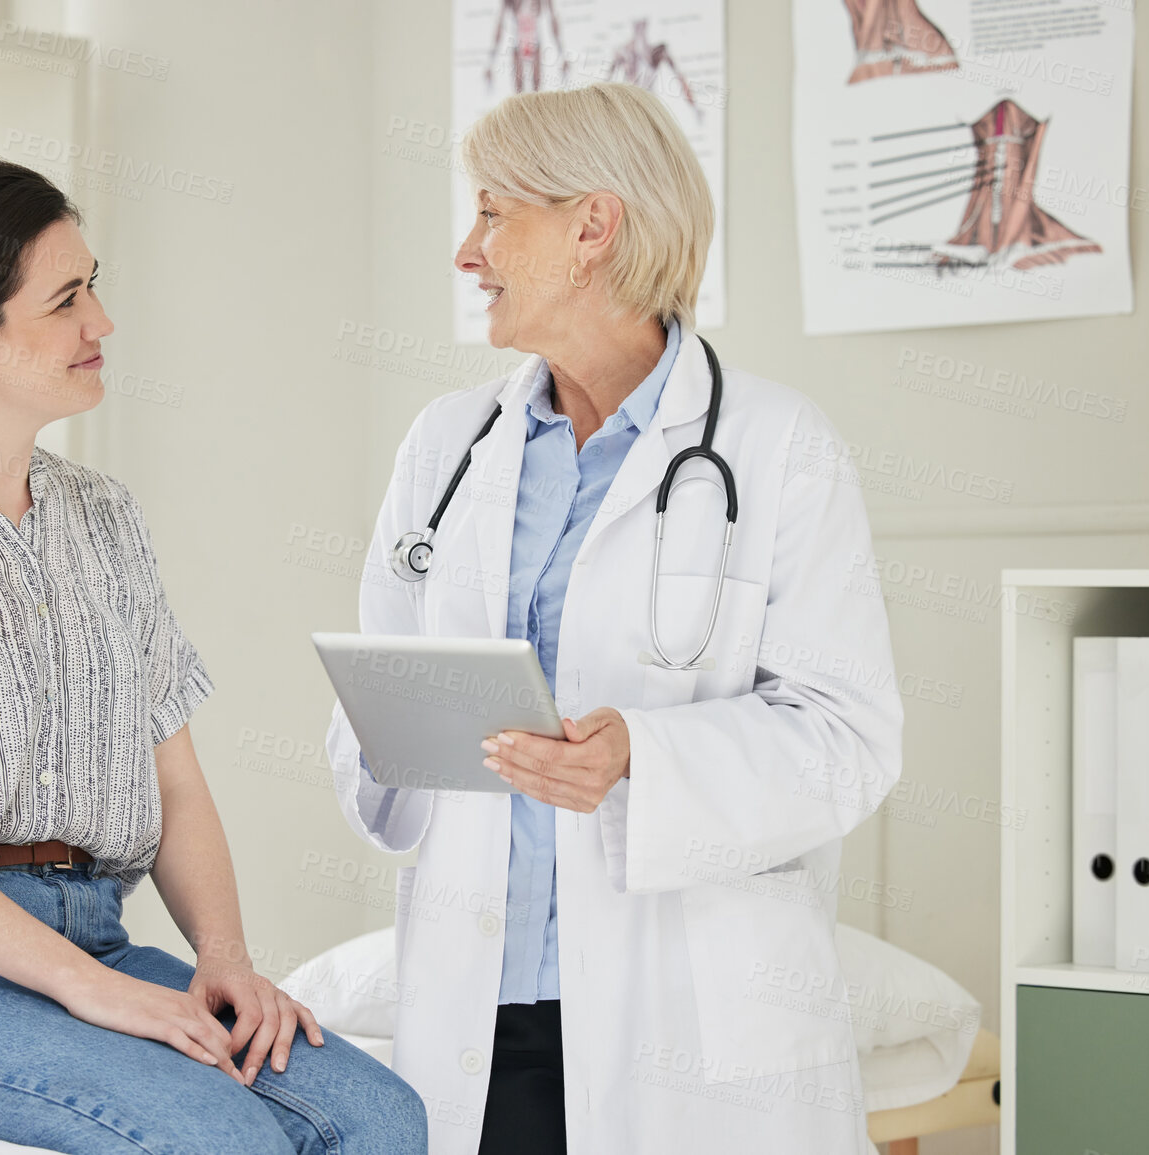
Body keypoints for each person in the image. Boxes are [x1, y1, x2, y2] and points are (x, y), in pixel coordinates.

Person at [0, 157, 427, 1155]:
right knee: (212, 1136)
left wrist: (226, 961)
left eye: (94, 286)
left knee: (381, 1119)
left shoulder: (103, 516)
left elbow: (178, 788)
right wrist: (85, 987)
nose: (101, 323)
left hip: (93, 931)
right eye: (66, 299)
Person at [328, 83, 903, 1154]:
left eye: (495, 214)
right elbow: (372, 707)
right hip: (479, 1023)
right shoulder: (448, 444)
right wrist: (394, 734)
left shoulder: (780, 447)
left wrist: (646, 755)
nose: (468, 251)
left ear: (593, 227)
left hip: (694, 1030)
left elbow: (850, 740)